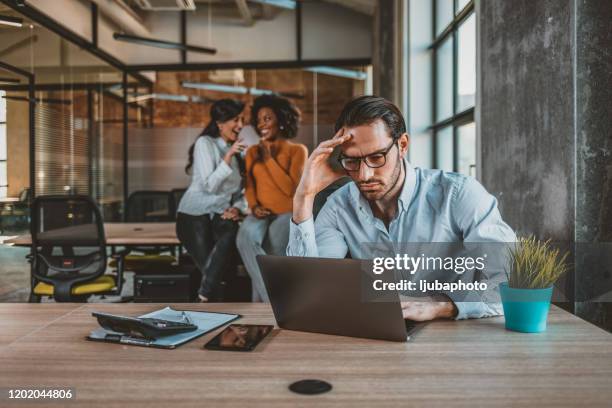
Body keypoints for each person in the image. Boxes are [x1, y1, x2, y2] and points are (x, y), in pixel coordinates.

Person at [287, 95, 516, 321]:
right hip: (378, 336)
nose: (364, 175)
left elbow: (513, 282)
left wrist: (442, 305)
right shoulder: (339, 206)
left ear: (403, 145)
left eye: (377, 157)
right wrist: (304, 197)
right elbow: (311, 291)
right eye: (352, 161)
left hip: (452, 335)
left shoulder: (458, 194)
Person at [236, 95, 308, 302]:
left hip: (286, 213)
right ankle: (274, 303)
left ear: (282, 120)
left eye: (267, 118)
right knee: (244, 239)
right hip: (260, 212)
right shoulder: (252, 152)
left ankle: (261, 311)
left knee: (269, 253)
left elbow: (290, 189)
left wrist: (268, 158)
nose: (261, 124)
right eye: (259, 120)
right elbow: (250, 185)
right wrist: (254, 205)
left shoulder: (297, 151)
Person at [176, 99, 247, 302]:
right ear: (220, 122)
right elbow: (210, 186)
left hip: (219, 213)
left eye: (242, 119)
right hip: (193, 216)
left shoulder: (236, 151)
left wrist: (236, 207)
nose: (240, 125)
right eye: (235, 119)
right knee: (215, 274)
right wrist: (227, 158)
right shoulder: (205, 143)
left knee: (231, 232)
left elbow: (241, 192)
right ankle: (211, 313)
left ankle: (203, 296)